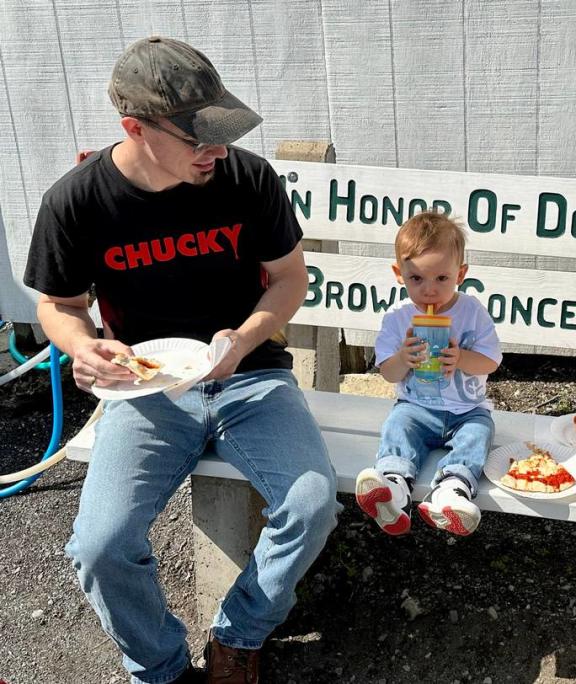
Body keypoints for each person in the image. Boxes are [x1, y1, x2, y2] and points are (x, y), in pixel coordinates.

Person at [23, 37, 340, 684]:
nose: (216, 149)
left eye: (221, 128)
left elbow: (288, 279)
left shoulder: (247, 179)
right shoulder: (77, 202)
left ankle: (238, 636)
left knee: (311, 506)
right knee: (99, 546)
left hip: (250, 377)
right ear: (133, 129)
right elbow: (57, 304)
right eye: (198, 135)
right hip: (147, 387)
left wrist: (245, 339)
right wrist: (85, 347)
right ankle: (161, 669)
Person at [354, 211, 502, 536]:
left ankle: (452, 490)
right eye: (417, 279)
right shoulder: (398, 317)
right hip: (417, 409)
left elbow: (490, 362)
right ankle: (393, 487)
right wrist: (404, 358)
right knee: (398, 423)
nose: (429, 291)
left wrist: (461, 358)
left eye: (442, 279)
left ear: (460, 274)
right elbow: (389, 374)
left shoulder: (473, 312)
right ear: (399, 274)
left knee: (480, 432)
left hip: (467, 411)